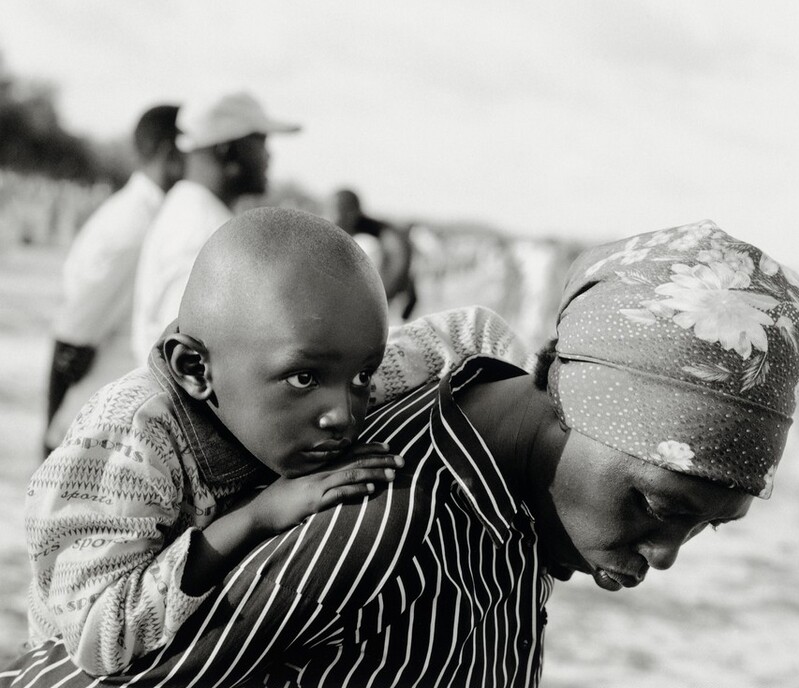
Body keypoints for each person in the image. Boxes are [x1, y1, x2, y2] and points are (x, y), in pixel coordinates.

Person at [2, 220, 799, 687]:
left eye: (708, 525)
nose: (667, 554)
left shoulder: (517, 501)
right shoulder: (372, 511)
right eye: (659, 506)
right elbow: (78, 669)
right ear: (558, 393)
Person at [19, 208, 529, 678]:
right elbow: (102, 639)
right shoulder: (129, 442)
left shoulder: (332, 364)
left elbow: (476, 334)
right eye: (303, 380)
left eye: (362, 376)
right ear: (195, 369)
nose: (343, 414)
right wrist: (256, 517)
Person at [43, 104, 184, 457]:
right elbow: (71, 341)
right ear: (171, 153)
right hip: (94, 432)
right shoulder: (133, 226)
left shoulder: (154, 217)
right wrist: (49, 437)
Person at [131, 92, 299, 363]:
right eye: (261, 142)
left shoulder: (190, 210)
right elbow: (191, 356)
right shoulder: (205, 231)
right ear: (228, 150)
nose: (269, 155)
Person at [328, 188, 417, 322]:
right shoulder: (368, 237)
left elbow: (399, 268)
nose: (331, 217)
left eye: (335, 211)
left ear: (351, 212)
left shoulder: (373, 242)